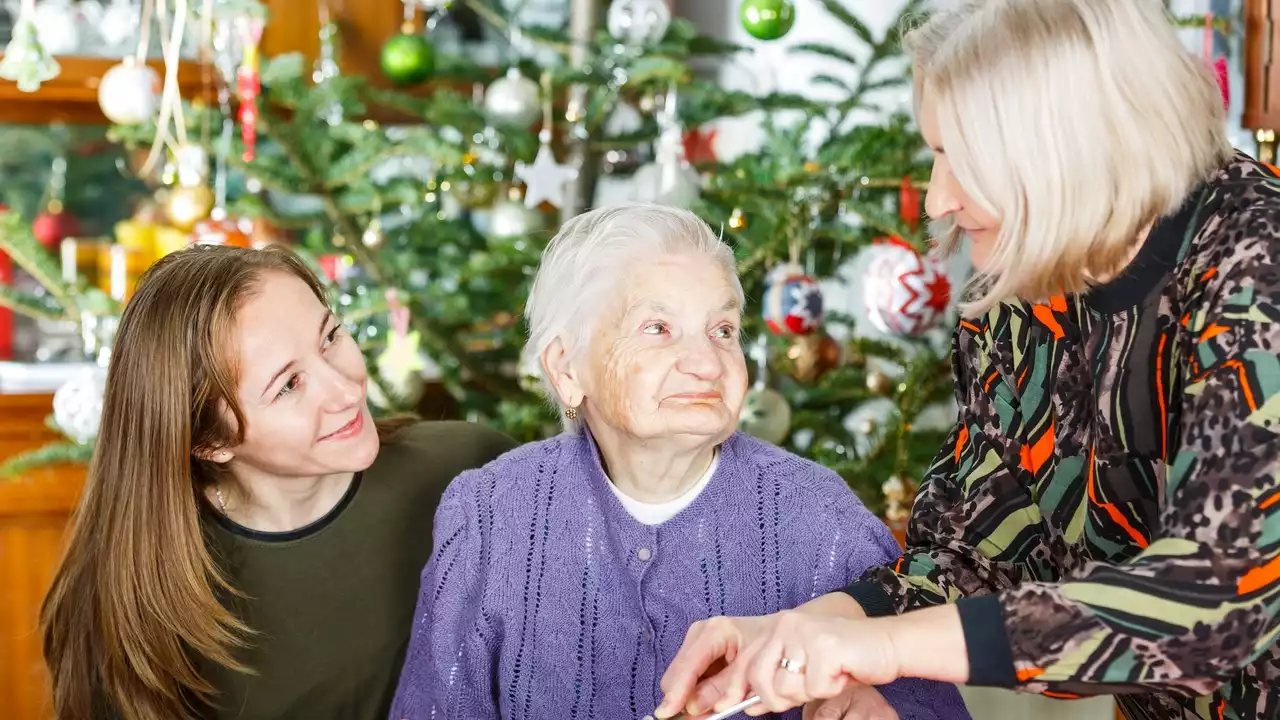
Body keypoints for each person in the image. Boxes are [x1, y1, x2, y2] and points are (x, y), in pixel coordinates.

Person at [652, 1, 1280, 719]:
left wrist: (885, 651)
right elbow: (973, 543)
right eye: (934, 152)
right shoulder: (1022, 286)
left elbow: (1221, 597)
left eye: (961, 156)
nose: (936, 198)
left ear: (1068, 143)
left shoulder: (1257, 260)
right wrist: (819, 629)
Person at [386, 203, 970, 720]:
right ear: (567, 369)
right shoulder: (490, 513)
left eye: (722, 330)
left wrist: (880, 709)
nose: (707, 363)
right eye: (658, 328)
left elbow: (927, 698)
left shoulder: (820, 517)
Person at [40, 245, 516, 720]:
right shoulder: (134, 596)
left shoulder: (475, 472)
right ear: (210, 441)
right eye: (288, 385)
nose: (346, 390)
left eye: (330, 337)